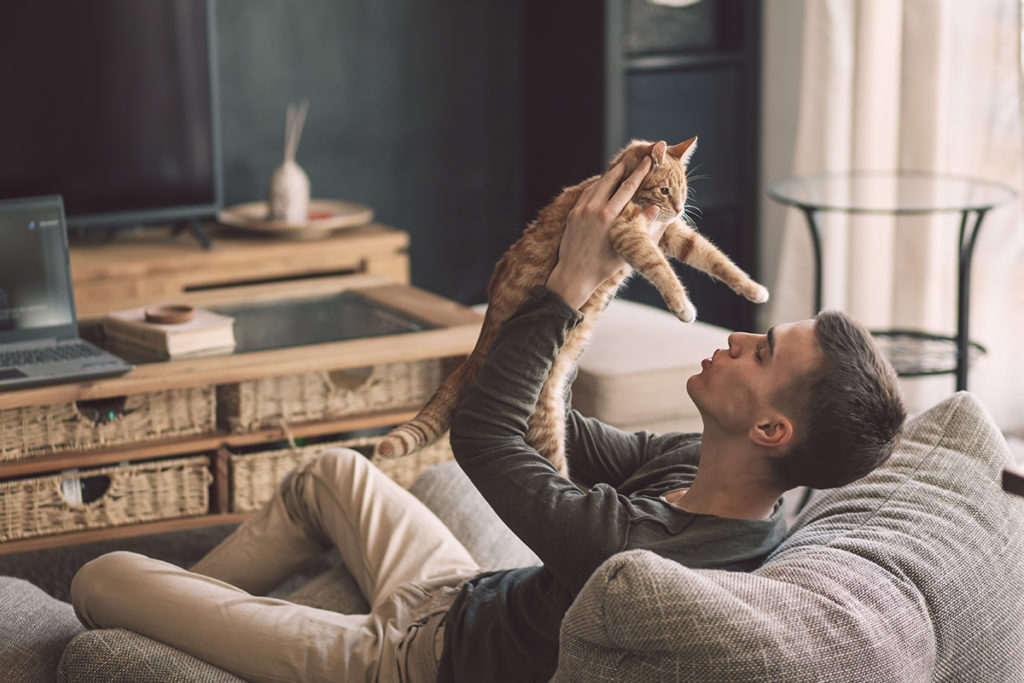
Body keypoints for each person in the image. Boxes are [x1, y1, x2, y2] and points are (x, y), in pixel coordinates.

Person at [71, 157, 906, 683]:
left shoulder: (645, 557)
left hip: (408, 662)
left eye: (759, 353)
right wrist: (565, 296)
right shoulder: (707, 468)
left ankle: (185, 628)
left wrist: (566, 292)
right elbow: (550, 424)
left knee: (100, 576)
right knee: (332, 472)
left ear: (771, 432)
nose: (733, 339)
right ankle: (202, 625)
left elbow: (482, 436)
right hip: (460, 593)